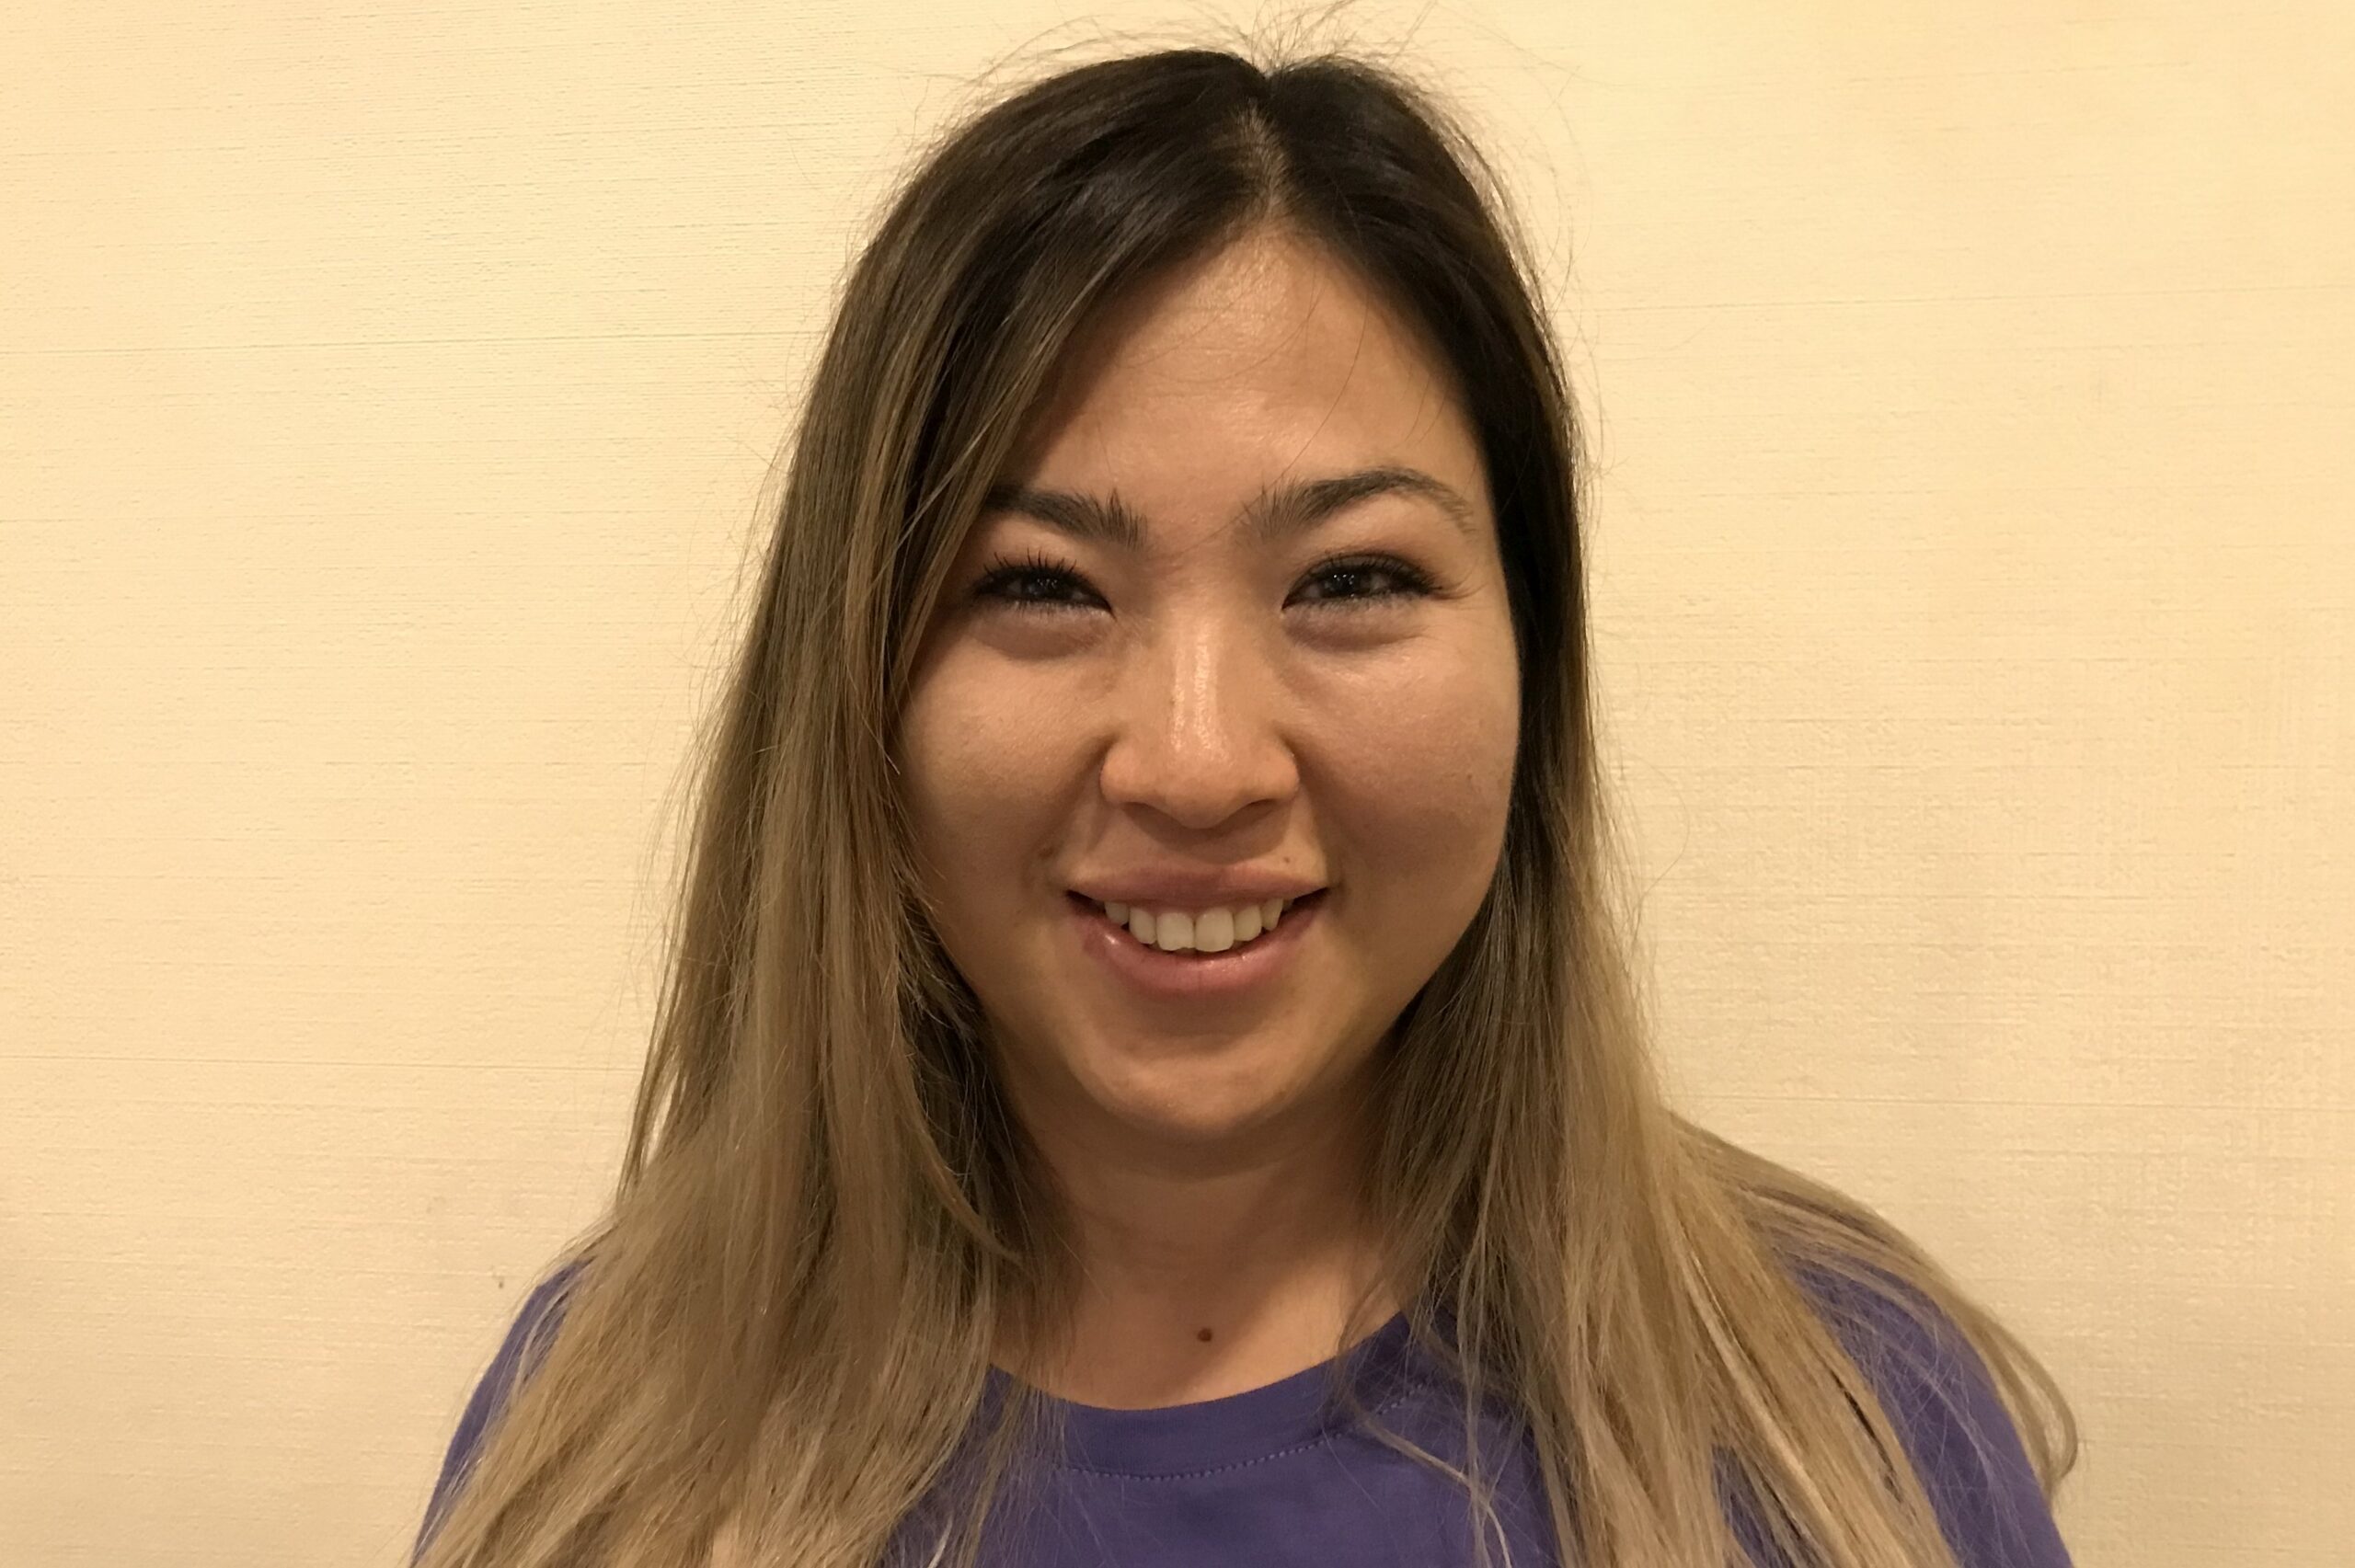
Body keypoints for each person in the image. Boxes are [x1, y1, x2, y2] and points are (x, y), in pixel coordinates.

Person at [410, 43, 2077, 1568]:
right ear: (856, 696)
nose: (1199, 762)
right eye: (1041, 585)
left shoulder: (1844, 1438)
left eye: (1350, 578)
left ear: (1533, 661)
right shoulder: (618, 1443)